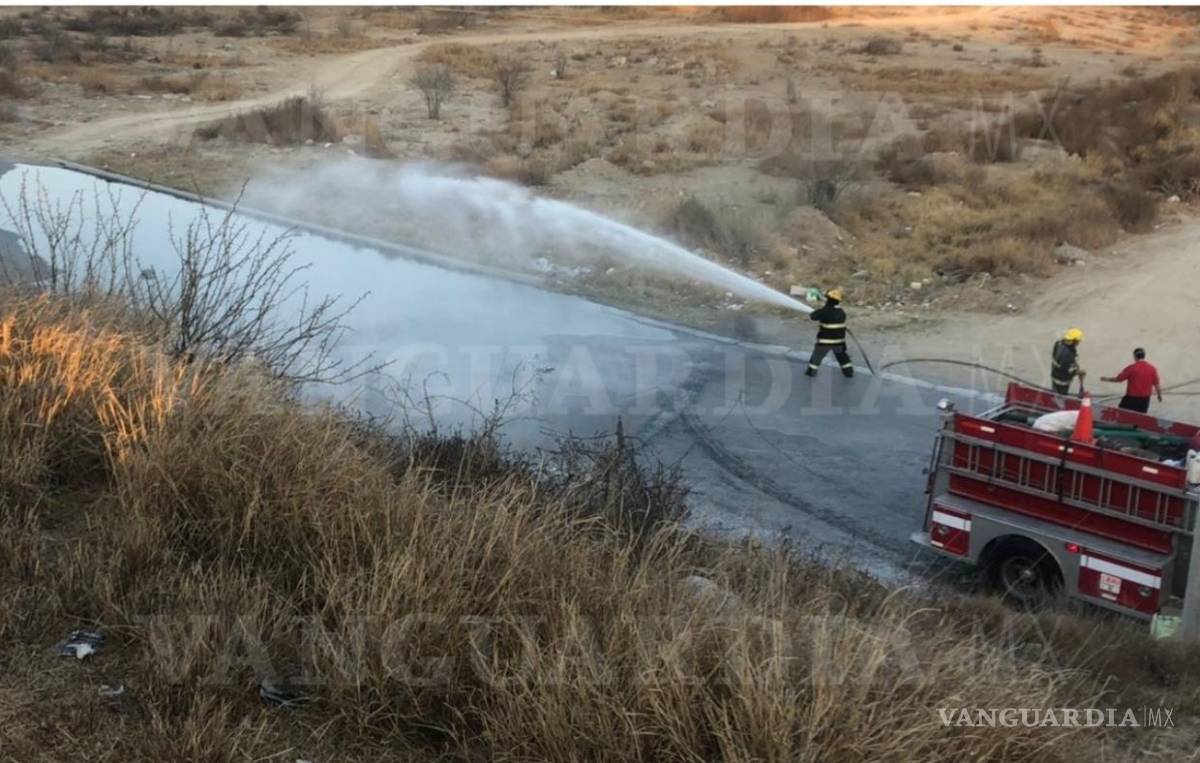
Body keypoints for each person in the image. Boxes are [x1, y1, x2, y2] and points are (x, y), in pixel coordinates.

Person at [806, 288, 854, 378]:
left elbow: (813, 317)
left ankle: (811, 372)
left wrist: (815, 312)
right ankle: (849, 372)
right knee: (842, 357)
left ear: (829, 300)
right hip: (839, 342)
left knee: (817, 357)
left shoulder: (824, 311)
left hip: (825, 342)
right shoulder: (841, 312)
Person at [1101, 347, 1162, 414]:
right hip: (1145, 399)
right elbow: (1157, 384)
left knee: (1122, 414)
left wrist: (1106, 379)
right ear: (1144, 356)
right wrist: (1159, 395)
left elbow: (1118, 379)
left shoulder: (1132, 368)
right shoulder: (1152, 369)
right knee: (1141, 417)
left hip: (1132, 398)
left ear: (1135, 356)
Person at [1050, 328, 1086, 395]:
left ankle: (1056, 397)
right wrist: (1079, 372)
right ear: (1074, 341)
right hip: (1062, 381)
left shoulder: (1059, 343)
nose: (1079, 343)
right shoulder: (1067, 355)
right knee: (1061, 396)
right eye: (1078, 341)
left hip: (1054, 375)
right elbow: (1068, 371)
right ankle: (1059, 402)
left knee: (1056, 392)